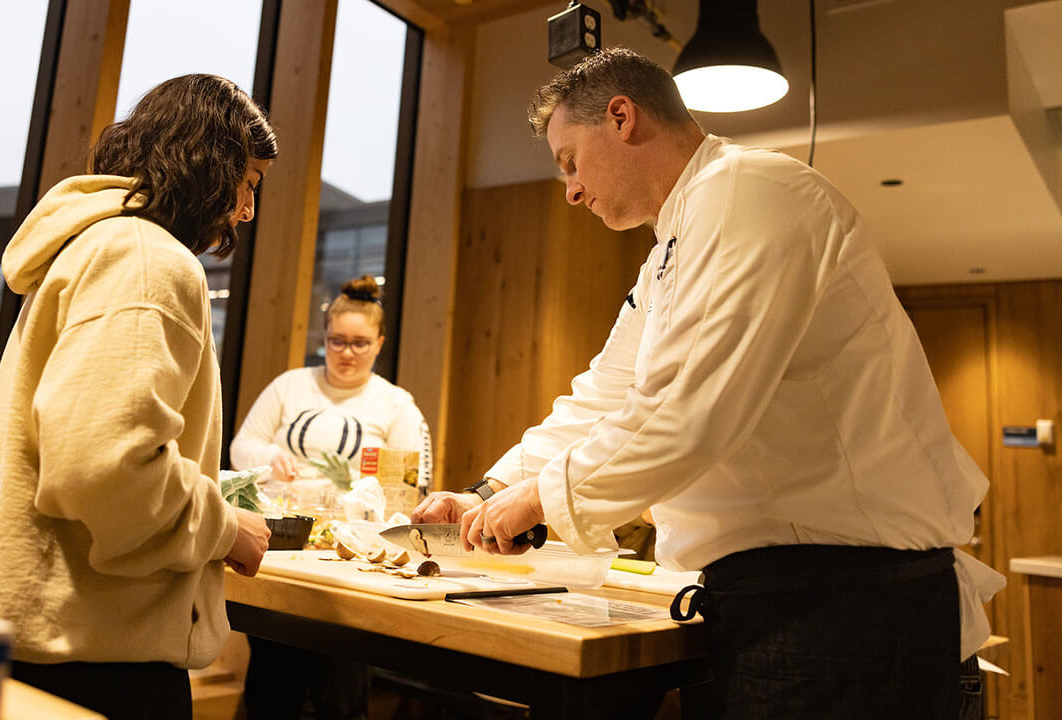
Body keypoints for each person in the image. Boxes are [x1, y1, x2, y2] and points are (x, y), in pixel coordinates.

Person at [412, 48, 1003, 718]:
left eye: (570, 161)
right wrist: (487, 492)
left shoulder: (751, 194)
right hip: (772, 598)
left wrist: (536, 501)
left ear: (622, 117)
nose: (571, 190)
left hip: (848, 600)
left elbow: (690, 417)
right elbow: (605, 396)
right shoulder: (671, 250)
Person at [0, 74, 276, 720]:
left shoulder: (92, 244)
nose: (247, 211)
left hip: (26, 638)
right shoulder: (149, 262)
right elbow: (105, 467)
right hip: (92, 654)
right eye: (249, 184)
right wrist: (227, 529)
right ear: (212, 165)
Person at [231, 274, 427, 720]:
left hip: (351, 554)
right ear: (324, 338)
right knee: (271, 679)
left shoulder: (396, 404)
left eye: (359, 343)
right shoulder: (289, 385)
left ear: (379, 343)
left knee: (340, 688)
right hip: (280, 544)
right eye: (337, 341)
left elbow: (408, 488)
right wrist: (269, 457)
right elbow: (242, 446)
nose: (346, 353)